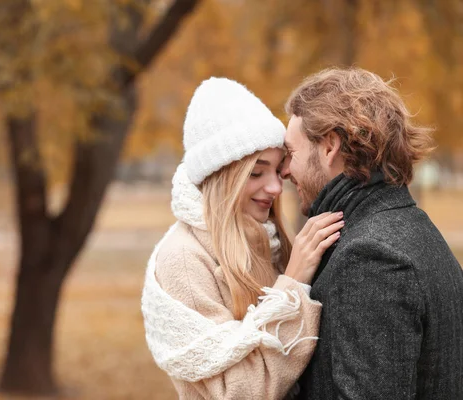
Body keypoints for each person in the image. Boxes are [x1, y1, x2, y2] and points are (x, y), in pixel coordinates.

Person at [141, 77, 343, 400]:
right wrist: (291, 287)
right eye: (256, 173)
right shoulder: (184, 259)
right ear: (223, 177)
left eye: (278, 170)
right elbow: (238, 393)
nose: (277, 187)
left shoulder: (270, 240)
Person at [280, 67, 463, 400]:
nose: (284, 170)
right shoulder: (415, 230)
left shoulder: (369, 256)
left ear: (329, 146)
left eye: (291, 153)